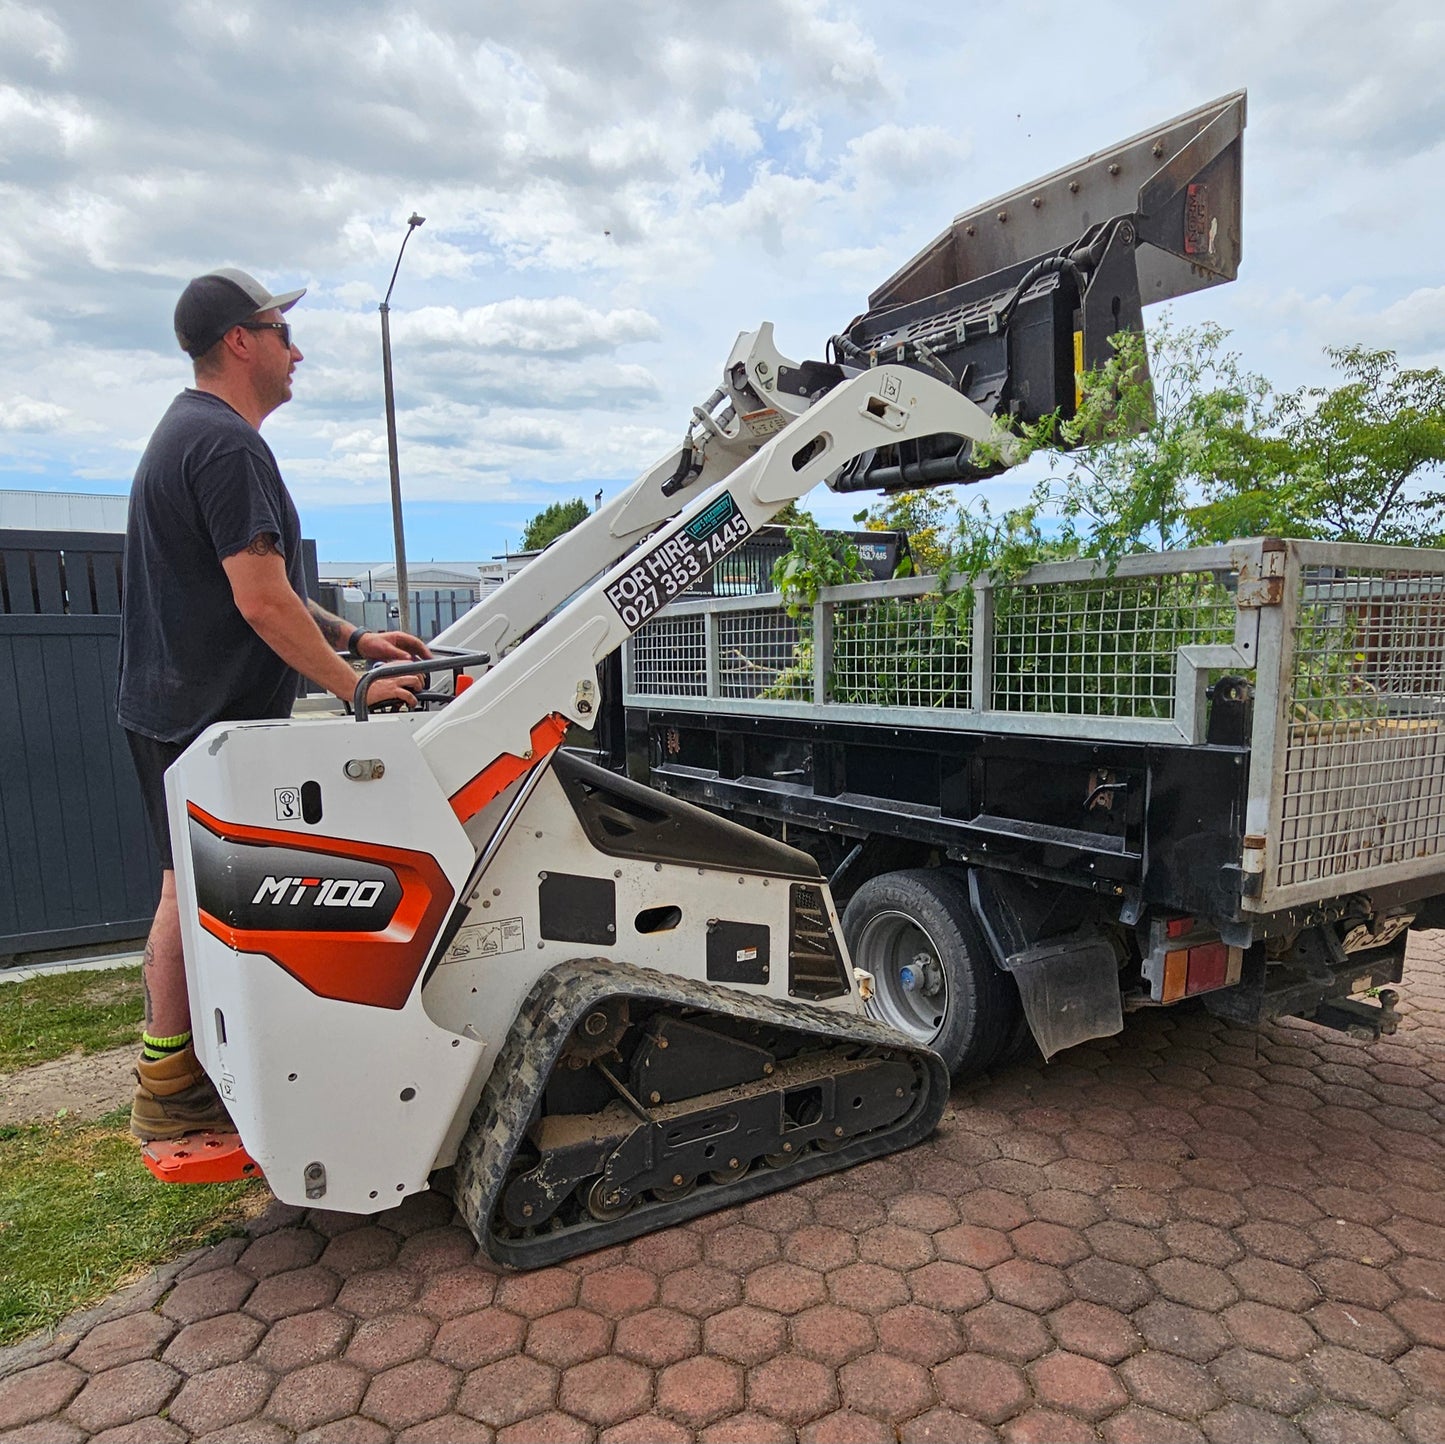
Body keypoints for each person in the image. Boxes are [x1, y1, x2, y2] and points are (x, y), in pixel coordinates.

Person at [117, 267, 429, 1142]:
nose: (299, 350)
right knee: (191, 891)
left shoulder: (193, 435)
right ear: (238, 343)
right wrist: (355, 689)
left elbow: (270, 588)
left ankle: (182, 1068)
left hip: (171, 705)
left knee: (190, 889)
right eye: (281, 333)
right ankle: (171, 1083)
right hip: (198, 717)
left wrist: (354, 641)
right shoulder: (225, 447)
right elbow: (259, 601)